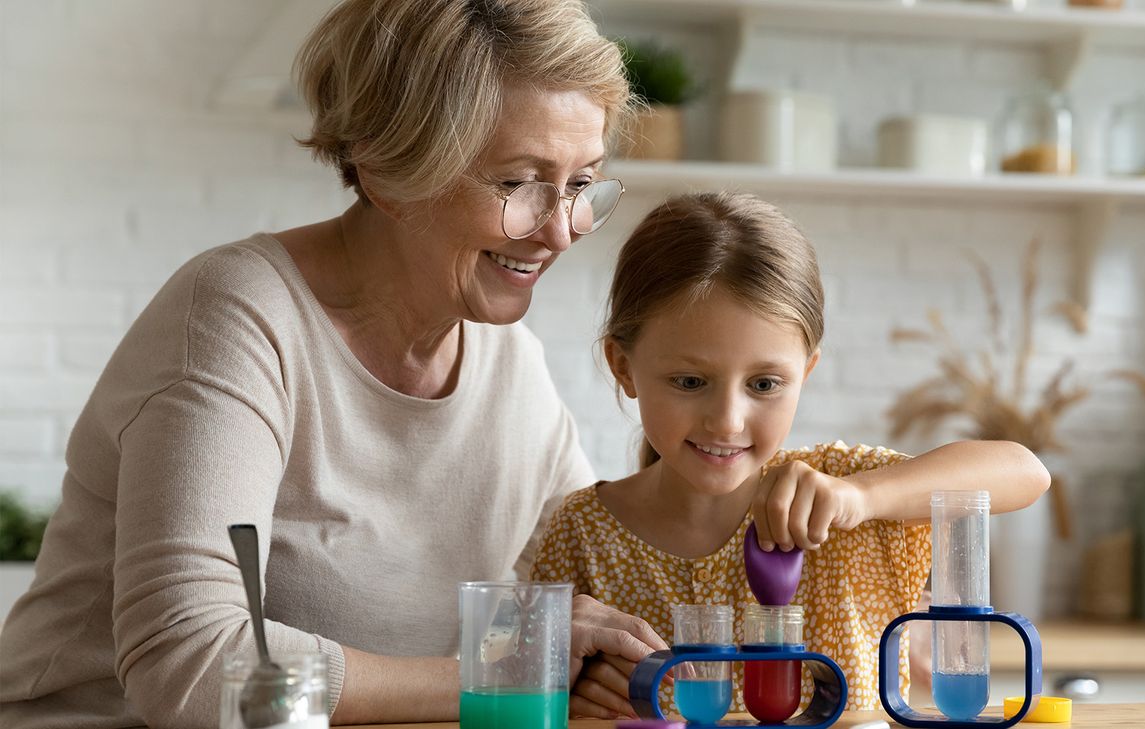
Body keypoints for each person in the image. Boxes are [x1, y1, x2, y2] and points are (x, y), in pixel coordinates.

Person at [0, 1, 668, 726]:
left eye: (580, 184)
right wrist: (501, 670)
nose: (562, 231)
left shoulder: (513, 366)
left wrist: (775, 498)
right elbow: (191, 662)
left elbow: (599, 581)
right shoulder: (238, 317)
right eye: (517, 183)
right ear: (387, 170)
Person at [531, 192, 1051, 718]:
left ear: (805, 371)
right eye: (690, 381)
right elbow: (536, 683)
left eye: (764, 383)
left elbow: (1025, 471)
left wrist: (862, 496)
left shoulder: (845, 496)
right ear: (623, 366)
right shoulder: (582, 535)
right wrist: (569, 693)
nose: (728, 420)